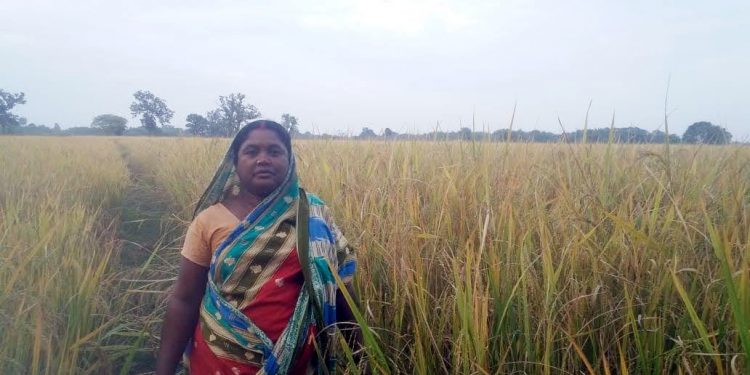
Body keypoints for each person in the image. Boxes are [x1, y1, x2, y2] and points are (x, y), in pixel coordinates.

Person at [156, 119, 359, 375]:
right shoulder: (208, 221)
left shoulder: (312, 214)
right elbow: (185, 299)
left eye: (274, 151)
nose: (263, 159)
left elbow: (340, 289)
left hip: (296, 363)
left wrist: (361, 357)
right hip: (220, 360)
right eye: (251, 152)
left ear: (289, 160)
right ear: (235, 163)